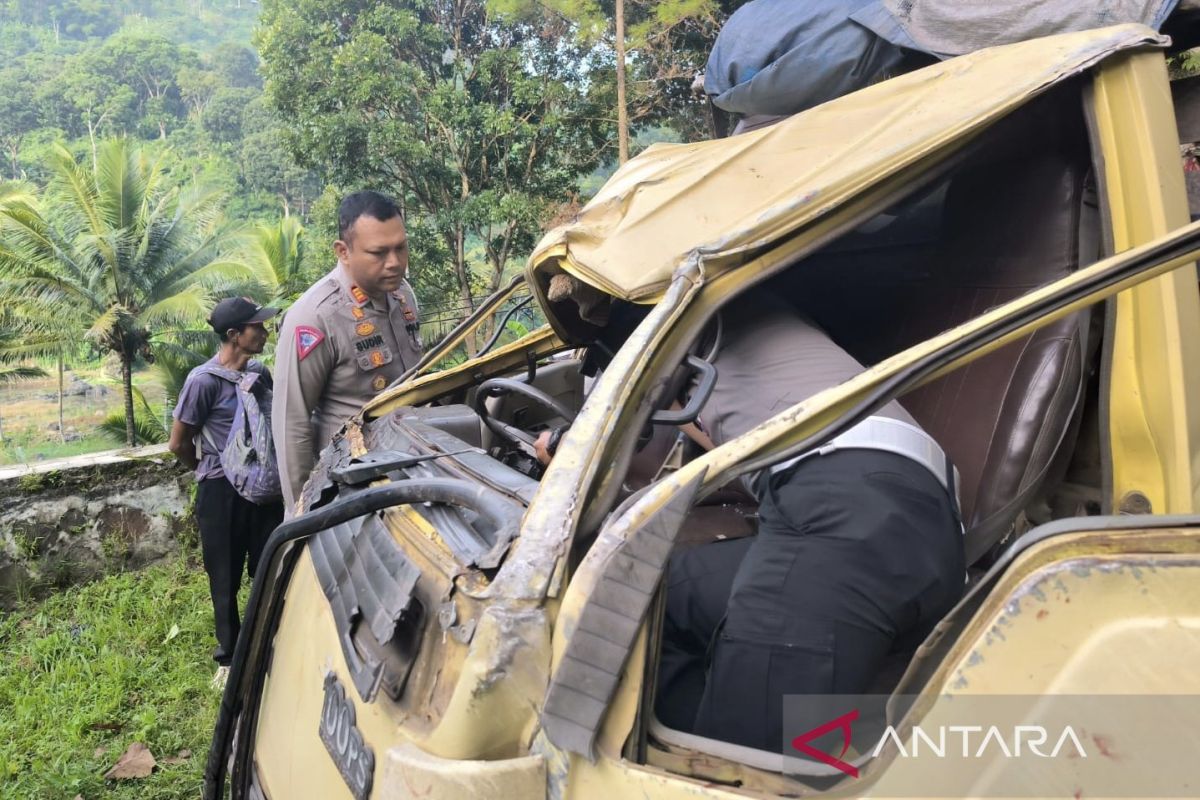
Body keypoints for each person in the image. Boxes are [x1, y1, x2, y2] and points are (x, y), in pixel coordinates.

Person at [653, 290, 966, 752]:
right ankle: (709, 724)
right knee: (658, 599)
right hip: (904, 510)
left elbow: (617, 451)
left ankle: (733, 742)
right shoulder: (749, 318)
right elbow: (728, 437)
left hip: (850, 506)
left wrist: (558, 447)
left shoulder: (688, 324)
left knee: (743, 755)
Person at [273, 190, 424, 510]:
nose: (395, 262)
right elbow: (292, 423)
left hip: (415, 469)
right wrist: (304, 514)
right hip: (352, 490)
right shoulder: (315, 317)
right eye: (378, 253)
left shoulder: (402, 295)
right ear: (343, 251)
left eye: (401, 248)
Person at [168, 296, 284, 688]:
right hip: (220, 490)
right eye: (258, 327)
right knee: (225, 572)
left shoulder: (260, 373)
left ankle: (272, 641)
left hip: (264, 487)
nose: (265, 332)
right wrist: (211, 471)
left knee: (270, 565)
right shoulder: (202, 381)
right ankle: (230, 656)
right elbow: (178, 443)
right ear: (234, 335)